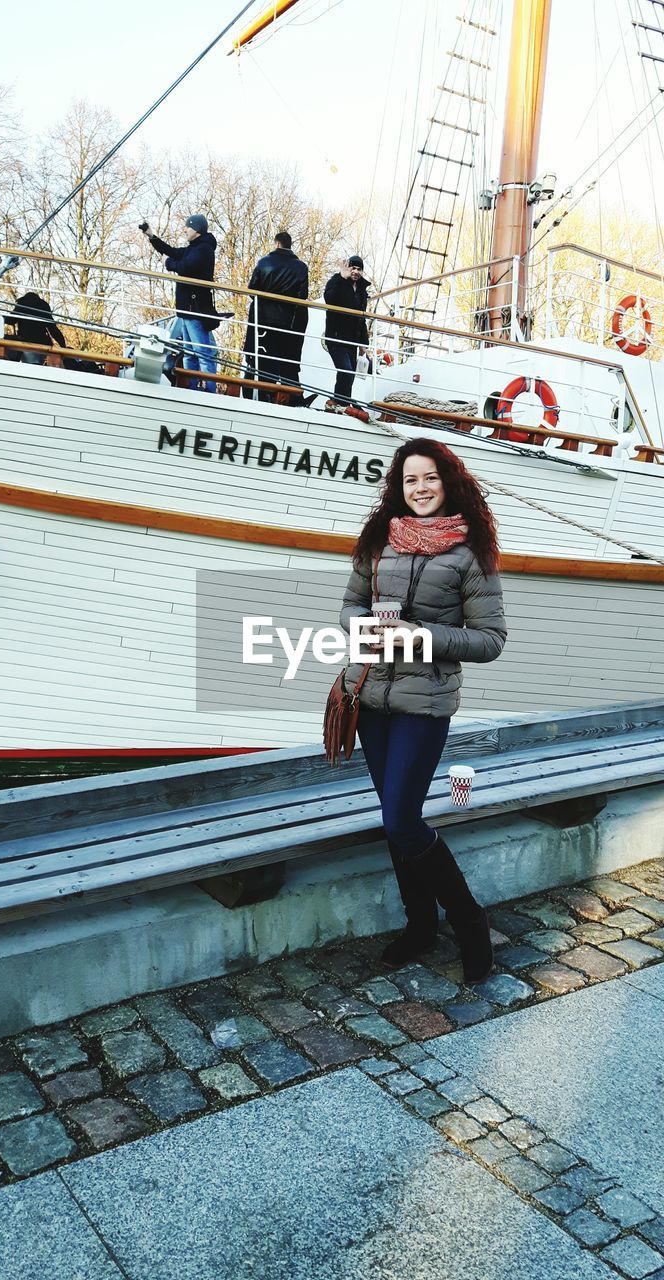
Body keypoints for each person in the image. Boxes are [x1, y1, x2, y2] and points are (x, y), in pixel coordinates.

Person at [339, 438, 507, 981]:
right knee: (396, 824)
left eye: (429, 478)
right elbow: (348, 608)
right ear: (399, 486)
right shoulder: (378, 542)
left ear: (448, 481)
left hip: (424, 703)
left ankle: (468, 922)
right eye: (410, 480)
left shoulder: (469, 555)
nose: (420, 489)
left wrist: (419, 634)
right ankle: (419, 926)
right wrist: (367, 629)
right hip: (370, 699)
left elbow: (489, 640)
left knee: (402, 819)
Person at [141, 215, 219, 393]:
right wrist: (151, 236)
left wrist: (168, 263)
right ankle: (192, 388)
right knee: (190, 352)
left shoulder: (203, 249)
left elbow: (185, 267)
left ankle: (210, 391)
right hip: (187, 309)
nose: (184, 229)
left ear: (197, 229)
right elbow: (172, 251)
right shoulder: (195, 248)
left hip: (195, 308)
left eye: (187, 227)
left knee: (202, 352)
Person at [245, 231, 309, 391]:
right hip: (288, 322)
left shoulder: (264, 263)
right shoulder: (301, 267)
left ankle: (262, 393)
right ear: (290, 245)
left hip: (263, 320)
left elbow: (252, 289)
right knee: (286, 362)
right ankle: (290, 396)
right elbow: (303, 295)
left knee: (263, 360)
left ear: (276, 243)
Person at [323, 255, 370, 403]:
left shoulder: (362, 290)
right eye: (353, 268)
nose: (355, 272)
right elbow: (329, 298)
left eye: (359, 269)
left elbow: (360, 319)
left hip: (351, 341)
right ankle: (339, 402)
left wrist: (363, 344)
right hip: (336, 337)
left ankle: (342, 403)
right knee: (346, 371)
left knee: (348, 376)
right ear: (348, 268)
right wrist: (341, 278)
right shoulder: (336, 281)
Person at [5, 292, 67, 365]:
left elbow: (10, 320)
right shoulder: (43, 305)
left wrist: (4, 317)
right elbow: (53, 329)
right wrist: (63, 346)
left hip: (26, 342)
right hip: (43, 343)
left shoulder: (23, 303)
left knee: (30, 367)